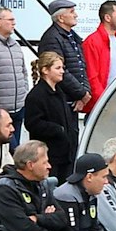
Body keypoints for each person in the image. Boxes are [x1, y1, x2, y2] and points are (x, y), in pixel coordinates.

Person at [23, 50, 82, 181]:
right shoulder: (37, 95)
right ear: (45, 70)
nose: (62, 71)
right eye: (58, 68)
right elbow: (32, 123)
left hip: (65, 154)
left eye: (63, 68)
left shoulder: (59, 91)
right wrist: (57, 129)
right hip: (50, 155)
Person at [0, 5, 33, 119]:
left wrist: (24, 94)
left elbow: (23, 72)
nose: (14, 23)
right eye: (10, 20)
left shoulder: (15, 45)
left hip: (19, 108)